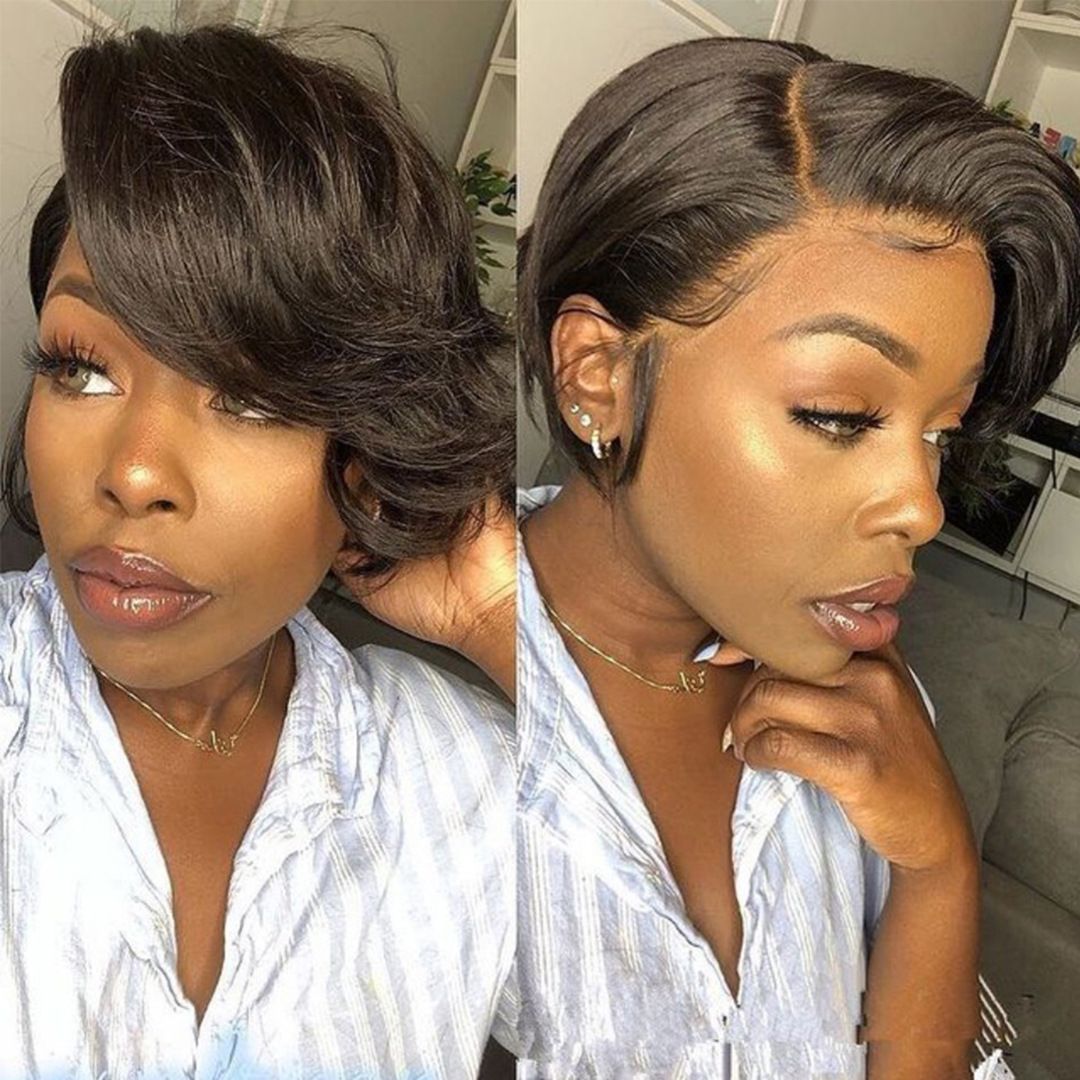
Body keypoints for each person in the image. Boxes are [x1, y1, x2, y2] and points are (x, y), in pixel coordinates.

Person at [506, 35, 1080, 1080]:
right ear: (598, 375)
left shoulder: (873, 722)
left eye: (941, 432)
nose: (922, 506)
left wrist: (937, 867)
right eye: (838, 414)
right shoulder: (368, 726)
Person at [0, 20, 515, 1079]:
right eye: (81, 367)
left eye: (250, 396)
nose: (133, 472)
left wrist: (499, 617)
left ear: (368, 450)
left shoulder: (467, 781)